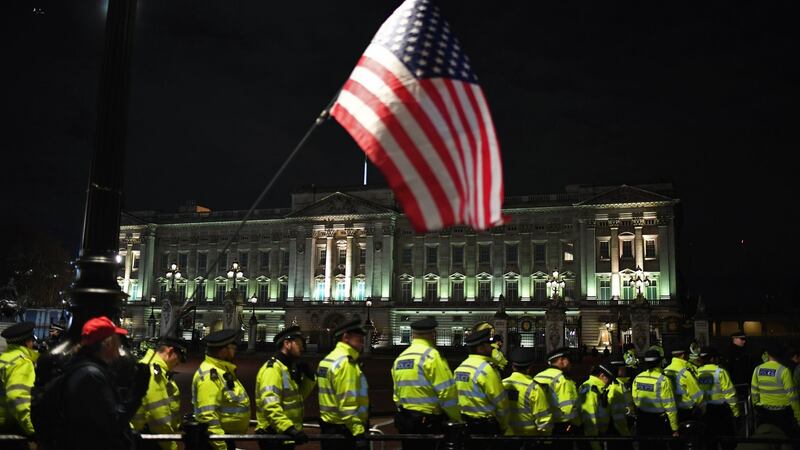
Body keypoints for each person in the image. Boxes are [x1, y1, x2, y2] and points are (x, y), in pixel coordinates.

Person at [60, 316, 149, 450]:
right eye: (117, 341)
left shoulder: (86, 369)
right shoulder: (91, 376)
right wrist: (137, 391)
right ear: (108, 344)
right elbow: (113, 422)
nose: (119, 346)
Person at [391, 318, 460, 450]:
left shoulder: (400, 358)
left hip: (405, 420)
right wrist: (456, 418)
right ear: (433, 334)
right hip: (428, 422)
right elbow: (447, 392)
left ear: (413, 335)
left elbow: (396, 395)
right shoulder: (432, 357)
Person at [255, 326, 316, 450]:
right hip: (274, 436)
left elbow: (296, 399)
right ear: (287, 343)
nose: (302, 347)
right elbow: (270, 405)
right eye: (298, 343)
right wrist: (289, 429)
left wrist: (310, 378)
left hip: (284, 434)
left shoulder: (286, 369)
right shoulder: (272, 370)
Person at [192, 329, 251, 450]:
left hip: (223, 438)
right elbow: (208, 416)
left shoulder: (222, 371)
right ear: (223, 351)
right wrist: (221, 446)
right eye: (232, 348)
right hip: (215, 443)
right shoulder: (210, 375)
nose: (235, 351)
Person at [317, 319, 370, 450]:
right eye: (359, 338)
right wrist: (358, 433)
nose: (362, 343)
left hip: (329, 428)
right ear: (346, 337)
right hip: (346, 432)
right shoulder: (346, 363)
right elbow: (347, 403)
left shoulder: (327, 360)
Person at [454, 328, 509, 450]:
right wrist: (504, 425)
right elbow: (500, 402)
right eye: (488, 344)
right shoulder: (486, 370)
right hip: (486, 427)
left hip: (466, 424)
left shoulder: (460, 368)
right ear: (481, 347)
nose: (491, 347)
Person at [131, 336, 188, 450]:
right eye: (179, 359)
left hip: (142, 436)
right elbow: (158, 415)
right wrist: (171, 446)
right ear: (170, 351)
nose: (178, 364)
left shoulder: (152, 368)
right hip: (146, 439)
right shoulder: (152, 372)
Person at [0, 322, 38, 447]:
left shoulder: (4, 358)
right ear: (27, 342)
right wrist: (32, 430)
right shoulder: (21, 363)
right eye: (32, 340)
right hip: (11, 432)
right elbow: (17, 397)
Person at [750, 342, 800, 435]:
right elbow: (792, 396)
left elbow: (754, 392)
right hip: (782, 414)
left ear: (767, 354)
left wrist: (756, 406)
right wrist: (798, 416)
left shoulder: (757, 369)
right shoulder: (784, 370)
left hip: (764, 413)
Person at [502, 347, 552, 438]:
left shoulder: (502, 384)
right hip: (529, 439)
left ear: (513, 366)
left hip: (506, 437)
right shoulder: (535, 389)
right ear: (530, 367)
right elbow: (544, 421)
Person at [696, 347, 739, 450]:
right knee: (727, 443)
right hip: (721, 412)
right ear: (712, 359)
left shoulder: (697, 372)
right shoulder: (720, 372)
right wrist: (736, 412)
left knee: (710, 444)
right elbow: (730, 394)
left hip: (705, 412)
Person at [534, 347, 582, 437]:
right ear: (562, 360)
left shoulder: (538, 376)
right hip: (560, 428)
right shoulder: (563, 379)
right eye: (569, 360)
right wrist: (578, 424)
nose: (570, 364)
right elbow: (569, 410)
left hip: (540, 426)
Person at [631, 349, 678, 438]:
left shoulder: (638, 378)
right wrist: (674, 428)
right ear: (659, 362)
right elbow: (670, 408)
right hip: (658, 423)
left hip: (642, 421)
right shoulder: (663, 380)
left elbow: (635, 400)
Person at [580, 363, 616, 450]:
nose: (610, 383)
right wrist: (595, 445)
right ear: (602, 376)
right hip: (592, 439)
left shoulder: (597, 389)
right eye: (609, 380)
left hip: (597, 436)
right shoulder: (591, 389)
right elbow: (590, 420)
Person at [664, 346, 705, 424]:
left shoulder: (665, 370)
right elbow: (698, 397)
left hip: (669, 411)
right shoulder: (686, 373)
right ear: (683, 355)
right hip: (686, 413)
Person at [606, 360, 633, 450]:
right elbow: (617, 416)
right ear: (617, 370)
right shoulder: (615, 388)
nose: (625, 370)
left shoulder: (622, 384)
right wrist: (626, 434)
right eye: (623, 368)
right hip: (619, 431)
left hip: (624, 426)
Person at [725, 330, 754, 396]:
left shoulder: (744, 351)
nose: (744, 341)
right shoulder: (729, 353)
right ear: (734, 339)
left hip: (744, 385)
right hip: (736, 386)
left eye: (745, 339)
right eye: (742, 339)